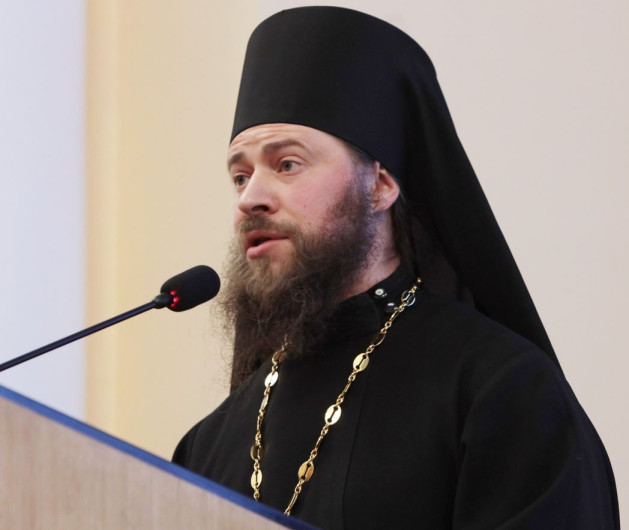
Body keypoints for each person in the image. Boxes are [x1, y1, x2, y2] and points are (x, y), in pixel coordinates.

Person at [173, 7, 619, 529]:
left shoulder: (502, 393)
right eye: (240, 176)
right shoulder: (205, 446)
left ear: (381, 185)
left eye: (287, 164)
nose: (250, 198)